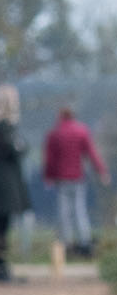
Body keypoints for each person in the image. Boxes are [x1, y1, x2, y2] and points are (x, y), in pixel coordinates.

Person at [43, 104, 109, 259]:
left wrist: (48, 177)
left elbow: (50, 159)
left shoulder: (55, 134)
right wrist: (101, 171)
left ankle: (66, 245)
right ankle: (85, 243)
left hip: (61, 179)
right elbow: (91, 153)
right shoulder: (81, 131)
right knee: (80, 211)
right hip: (78, 178)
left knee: (64, 213)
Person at [0, 84, 31, 283]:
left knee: (3, 225)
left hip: (8, 182)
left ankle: (2, 267)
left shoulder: (5, 128)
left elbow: (20, 148)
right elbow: (13, 150)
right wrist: (19, 146)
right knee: (0, 226)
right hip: (4, 185)